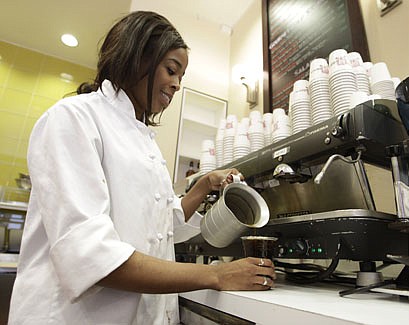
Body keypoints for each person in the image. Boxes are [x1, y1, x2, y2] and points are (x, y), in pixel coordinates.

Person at [8, 11, 275, 324]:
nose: (176, 85)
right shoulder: (73, 118)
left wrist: (203, 186)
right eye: (171, 70)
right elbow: (90, 255)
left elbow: (163, 226)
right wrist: (215, 275)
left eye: (181, 77)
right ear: (136, 57)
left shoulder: (144, 142)